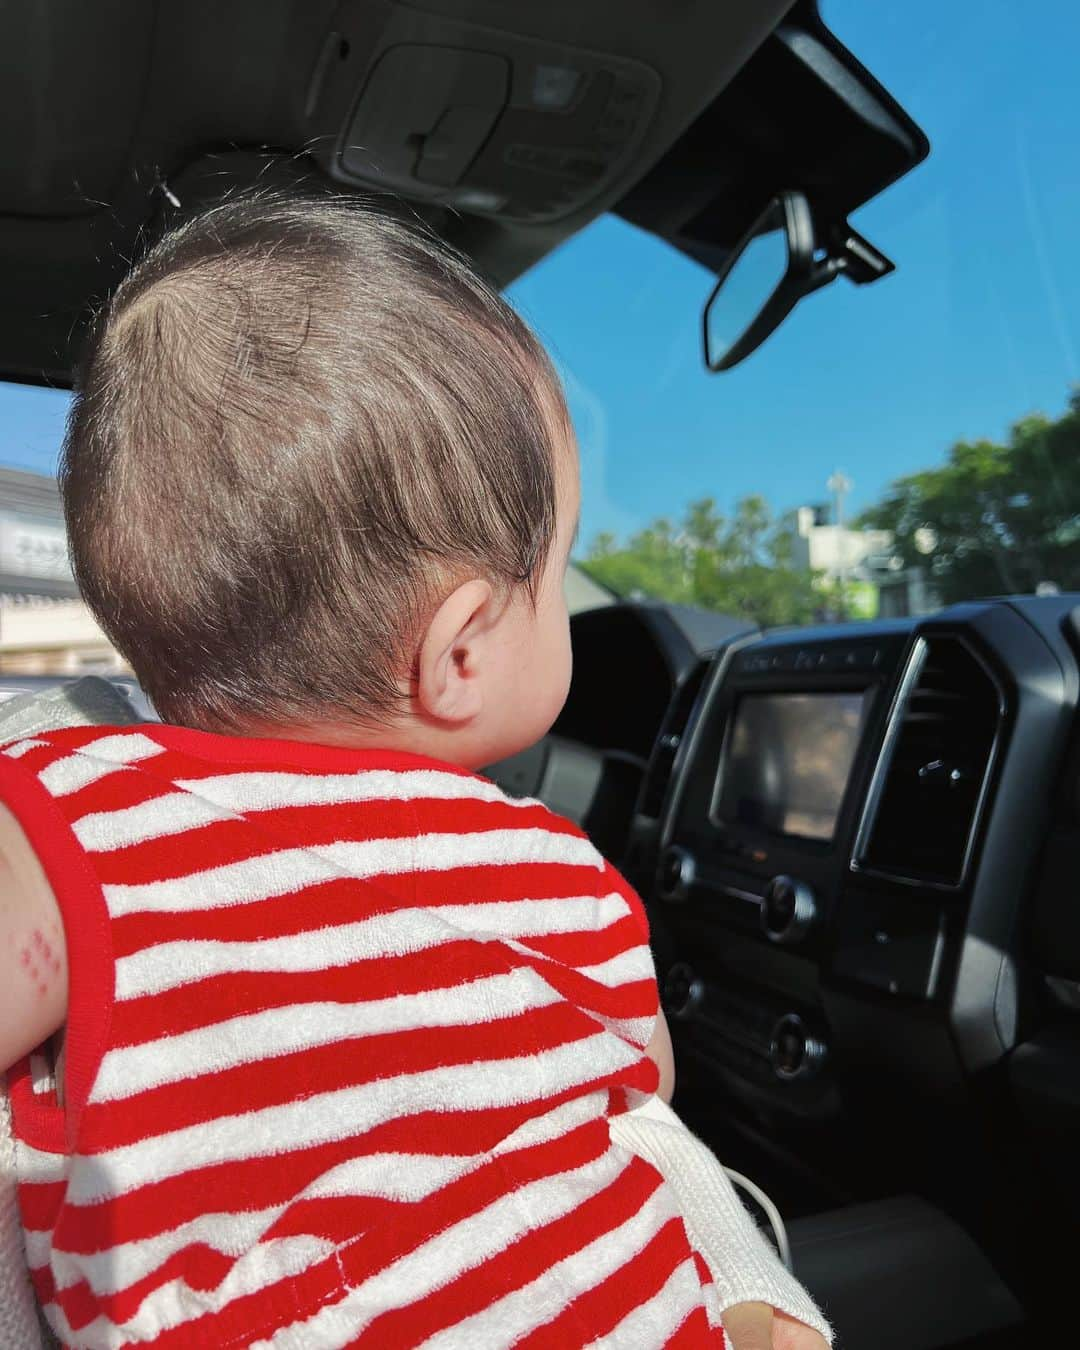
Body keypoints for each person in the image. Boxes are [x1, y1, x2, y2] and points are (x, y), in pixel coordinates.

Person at [0, 196, 830, 1349]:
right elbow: (646, 1076)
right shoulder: (555, 873)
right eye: (561, 569)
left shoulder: (76, 817)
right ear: (461, 652)